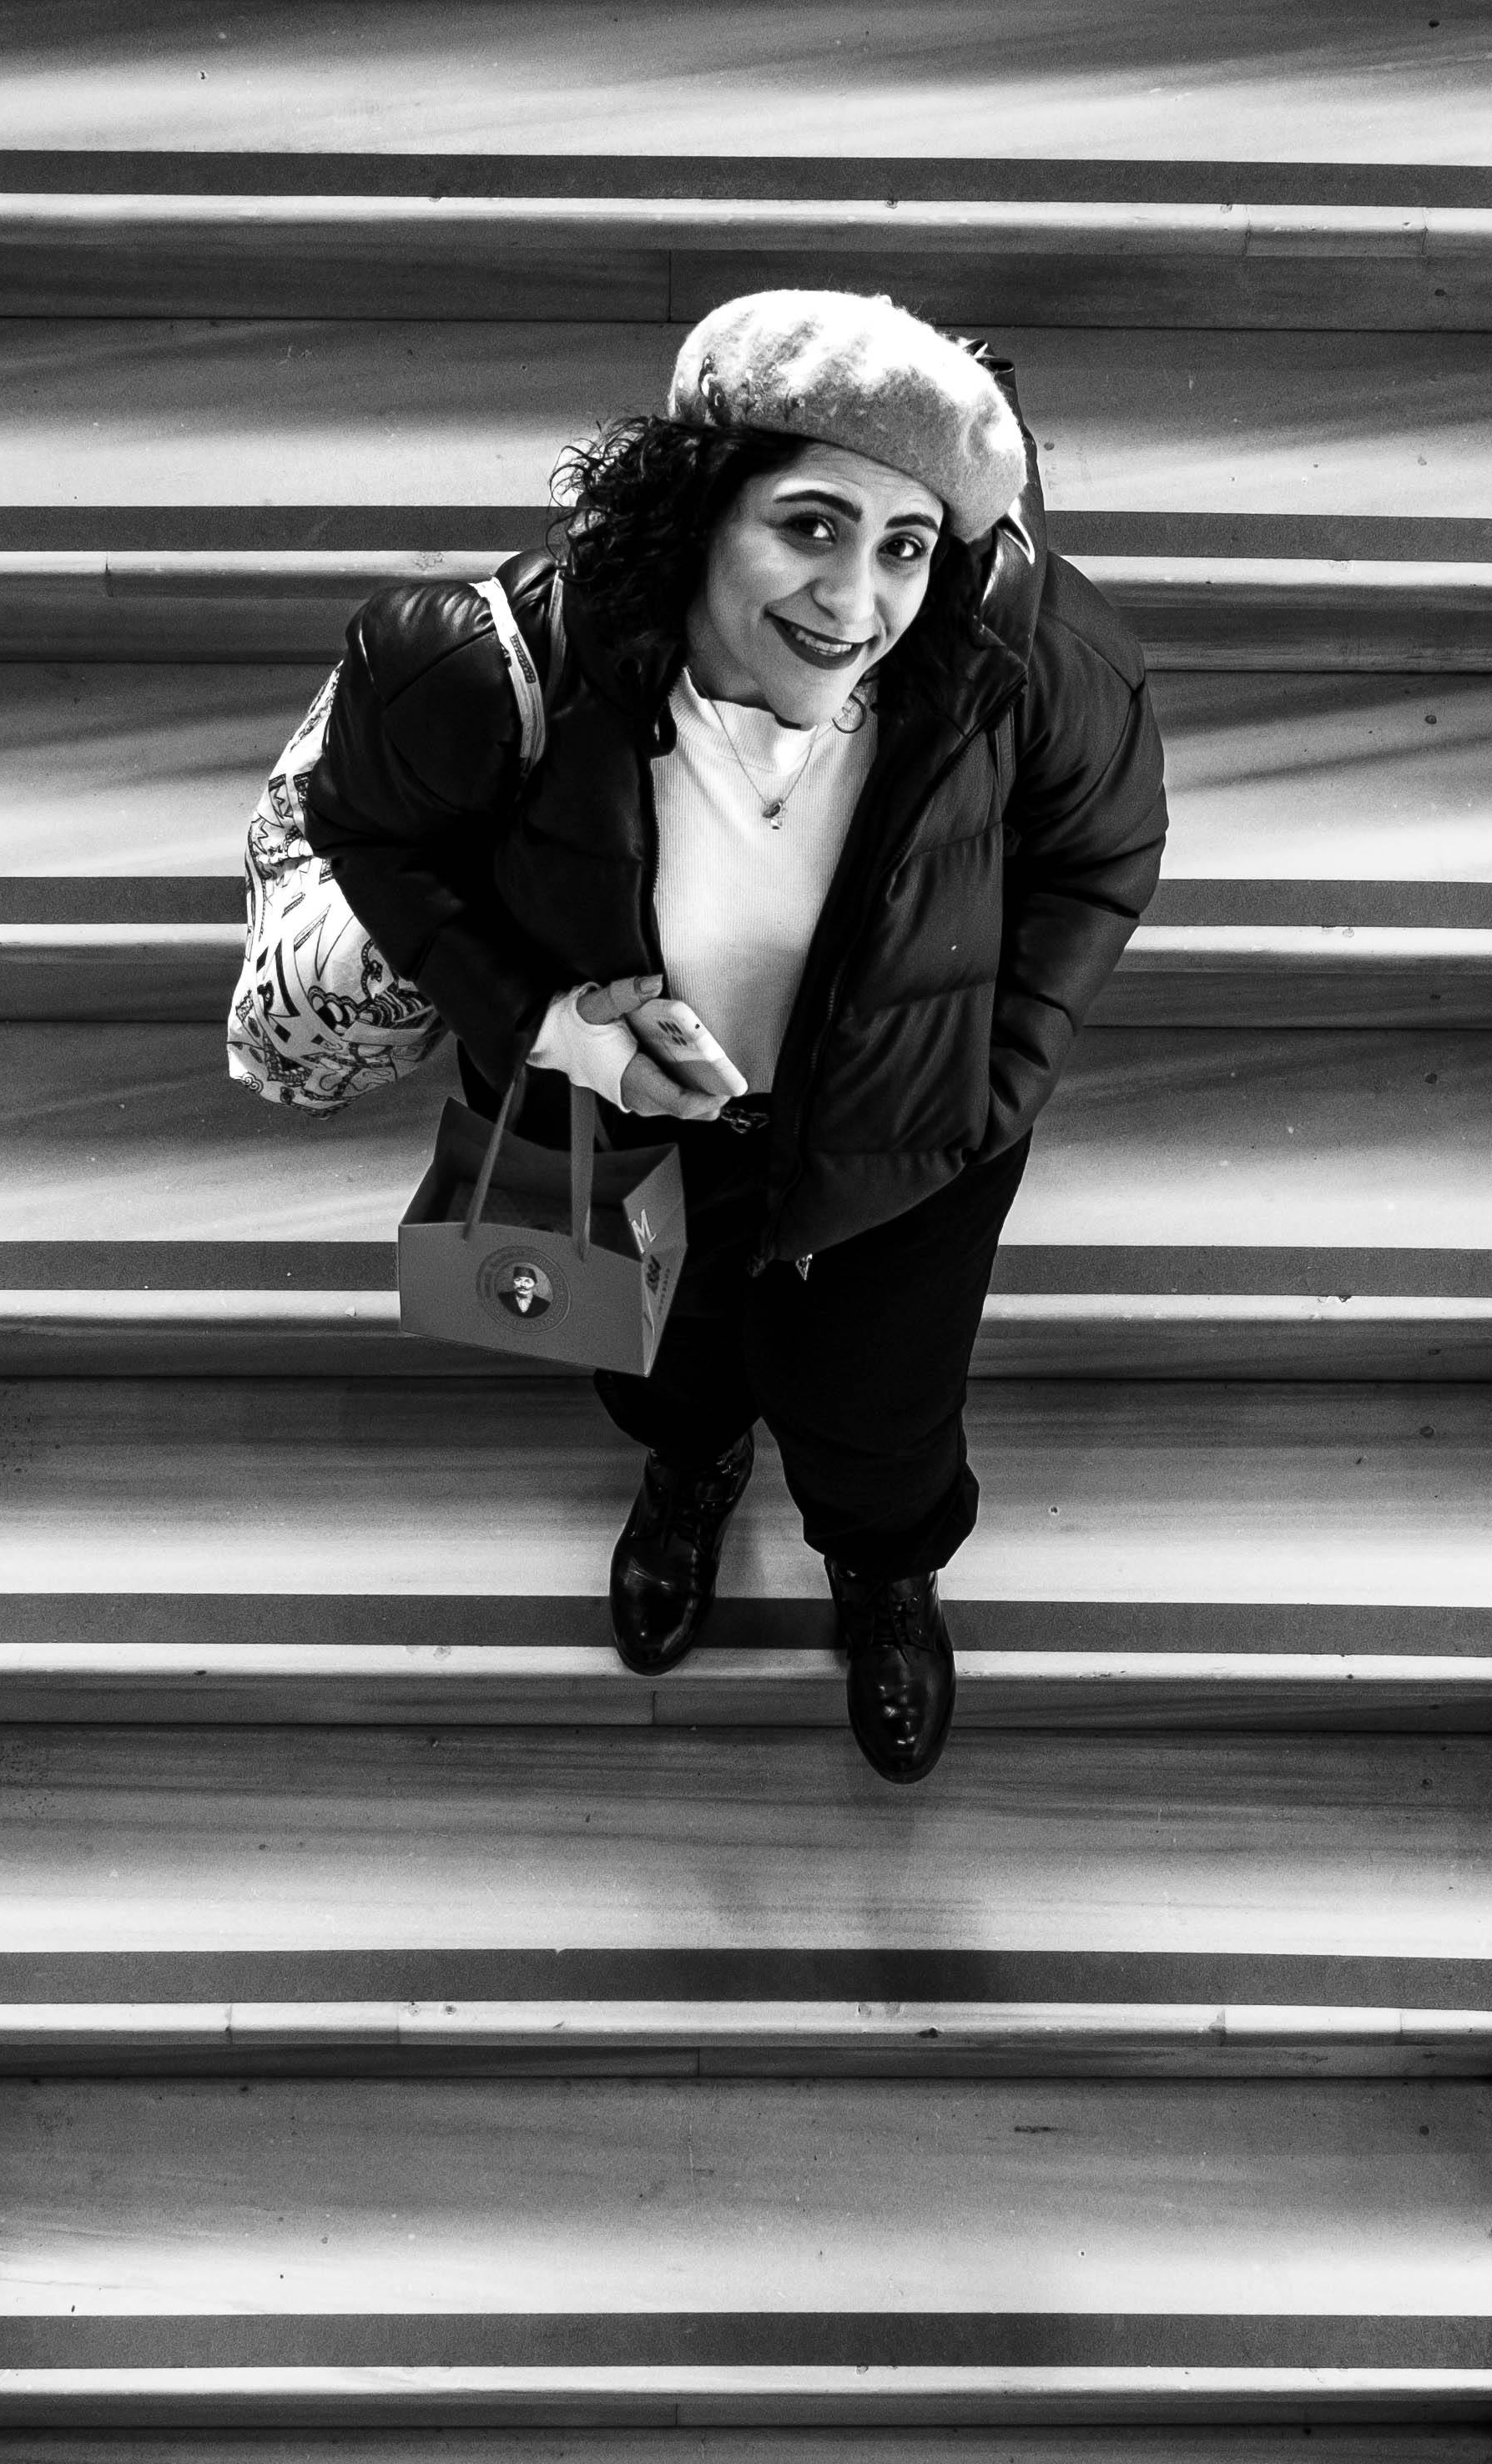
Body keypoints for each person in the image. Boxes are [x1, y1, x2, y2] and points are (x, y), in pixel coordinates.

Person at [304, 288, 1167, 1783]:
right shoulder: (488, 660)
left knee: (887, 1407)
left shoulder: (1023, 658)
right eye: (813, 526)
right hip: (628, 1132)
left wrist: (994, 1079)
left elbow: (1101, 856)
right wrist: (546, 1026)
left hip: (907, 1140)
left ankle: (884, 1574)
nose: (855, 605)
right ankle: (690, 1474)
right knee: (661, 1363)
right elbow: (366, 826)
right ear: (703, 504)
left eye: (906, 546)